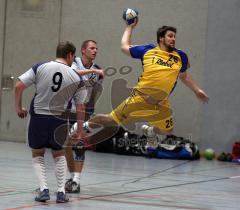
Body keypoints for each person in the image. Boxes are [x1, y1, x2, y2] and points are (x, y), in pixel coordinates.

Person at [15, 41, 87, 203]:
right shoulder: (76, 77)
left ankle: (44, 190)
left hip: (38, 117)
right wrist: (80, 130)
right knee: (58, 152)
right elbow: (81, 107)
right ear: (69, 55)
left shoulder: (40, 67)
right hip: (60, 119)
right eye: (73, 57)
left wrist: (19, 107)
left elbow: (19, 86)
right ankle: (61, 192)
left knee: (37, 152)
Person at [64, 40, 104, 193]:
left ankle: (76, 181)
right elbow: (73, 74)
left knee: (79, 145)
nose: (95, 51)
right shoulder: (74, 62)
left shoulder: (97, 70)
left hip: (83, 111)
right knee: (65, 145)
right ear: (83, 50)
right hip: (67, 110)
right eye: (92, 48)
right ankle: (70, 176)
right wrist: (92, 73)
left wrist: (90, 111)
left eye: (96, 48)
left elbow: (94, 92)